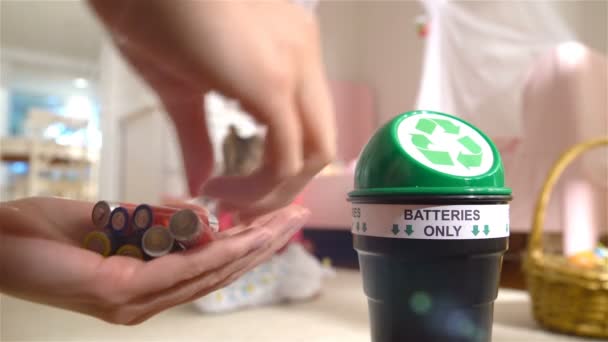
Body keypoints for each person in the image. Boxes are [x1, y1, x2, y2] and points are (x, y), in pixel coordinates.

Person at [0, 0, 336, 325]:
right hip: (239, 255)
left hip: (276, 259)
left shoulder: (276, 192)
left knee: (298, 271)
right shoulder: (236, 187)